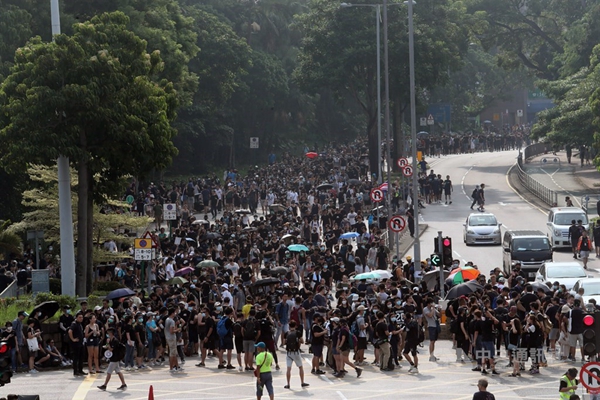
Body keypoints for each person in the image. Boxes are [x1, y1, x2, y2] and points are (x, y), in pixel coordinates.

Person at [284, 320, 309, 389]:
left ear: (289, 326)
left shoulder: (287, 333)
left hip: (289, 353)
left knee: (288, 369)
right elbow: (302, 341)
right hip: (296, 352)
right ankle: (302, 382)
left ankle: (288, 384)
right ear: (295, 326)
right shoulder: (298, 333)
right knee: (300, 367)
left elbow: (284, 342)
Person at [165, 307, 183, 372]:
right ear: (172, 313)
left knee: (174, 353)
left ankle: (177, 366)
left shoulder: (167, 319)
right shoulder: (171, 321)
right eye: (174, 312)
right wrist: (178, 329)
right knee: (172, 353)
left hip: (168, 337)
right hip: (171, 338)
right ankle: (171, 368)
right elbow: (171, 331)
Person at [69, 312, 86, 377]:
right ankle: (75, 371)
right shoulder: (74, 324)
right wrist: (73, 339)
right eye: (79, 317)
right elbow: (70, 331)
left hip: (81, 343)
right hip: (76, 344)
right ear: (76, 318)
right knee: (76, 357)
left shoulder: (80, 324)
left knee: (81, 357)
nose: (81, 318)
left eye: (82, 317)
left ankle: (80, 370)